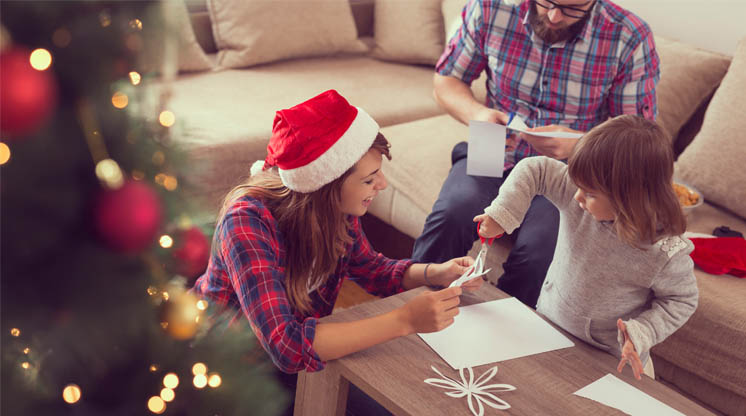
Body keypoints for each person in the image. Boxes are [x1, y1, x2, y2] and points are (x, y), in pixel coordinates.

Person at [192, 90, 482, 415]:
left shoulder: (336, 213)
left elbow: (374, 270)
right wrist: (404, 320)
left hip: (293, 357)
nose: (382, 184)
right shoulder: (246, 221)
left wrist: (436, 272)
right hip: (227, 370)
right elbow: (286, 346)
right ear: (326, 185)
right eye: (370, 178)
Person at [413, 0, 660, 308]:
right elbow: (446, 79)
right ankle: (409, 308)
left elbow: (637, 136)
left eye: (572, 9)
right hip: (494, 151)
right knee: (451, 214)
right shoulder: (490, 7)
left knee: (540, 253)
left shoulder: (629, 37)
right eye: (546, 2)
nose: (554, 16)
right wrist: (476, 113)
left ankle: (502, 333)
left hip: (570, 173)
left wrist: (583, 143)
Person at [473, 115, 698, 379]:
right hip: (549, 328)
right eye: (579, 186)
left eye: (590, 193)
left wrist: (644, 331)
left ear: (629, 198)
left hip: (608, 360)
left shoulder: (665, 252)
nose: (577, 195)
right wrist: (503, 213)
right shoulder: (579, 194)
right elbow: (535, 169)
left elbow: (682, 300)